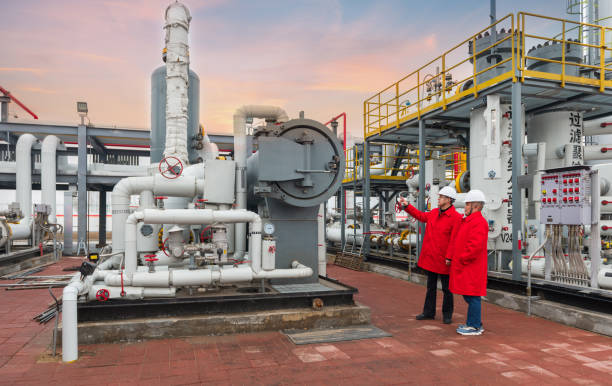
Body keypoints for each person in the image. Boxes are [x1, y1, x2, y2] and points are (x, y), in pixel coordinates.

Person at [398, 186, 461, 324]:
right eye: (439, 196)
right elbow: (420, 216)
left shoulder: (456, 218)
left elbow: (454, 240)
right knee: (430, 287)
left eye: (441, 197)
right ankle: (428, 312)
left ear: (449, 200)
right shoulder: (433, 213)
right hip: (432, 257)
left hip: (445, 260)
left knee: (447, 289)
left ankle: (447, 314)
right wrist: (407, 206)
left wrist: (449, 257)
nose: (438, 199)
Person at [446, 189, 489, 336]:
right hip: (468, 266)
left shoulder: (478, 222)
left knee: (473, 295)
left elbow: (474, 246)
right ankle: (474, 323)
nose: (465, 207)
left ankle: (475, 325)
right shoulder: (471, 221)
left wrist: (462, 258)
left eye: (467, 205)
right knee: (470, 295)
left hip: (471, 266)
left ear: (475, 206)